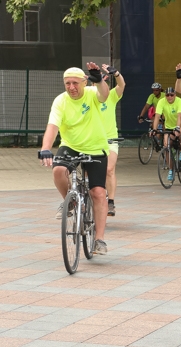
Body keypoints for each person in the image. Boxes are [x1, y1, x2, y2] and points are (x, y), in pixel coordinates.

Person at [39, 63, 111, 255]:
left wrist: (98, 80)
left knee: (97, 192)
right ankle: (70, 201)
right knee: (58, 170)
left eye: (75, 83)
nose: (71, 87)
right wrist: (46, 148)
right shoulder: (60, 101)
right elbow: (52, 126)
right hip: (70, 146)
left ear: (84, 82)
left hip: (96, 148)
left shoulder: (91, 92)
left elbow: (104, 95)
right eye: (67, 83)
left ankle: (99, 239)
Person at [98, 64, 125, 217]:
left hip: (110, 139)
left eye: (103, 82)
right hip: (92, 141)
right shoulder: (89, 97)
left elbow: (122, 85)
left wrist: (116, 74)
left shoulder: (112, 96)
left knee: (109, 169)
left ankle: (111, 202)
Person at [153, 87, 181, 181]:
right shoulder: (161, 102)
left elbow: (179, 116)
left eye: (171, 95)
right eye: (167, 95)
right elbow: (157, 116)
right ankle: (171, 170)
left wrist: (177, 127)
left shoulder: (180, 101)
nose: (169, 97)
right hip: (168, 126)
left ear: (175, 95)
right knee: (166, 146)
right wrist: (154, 129)